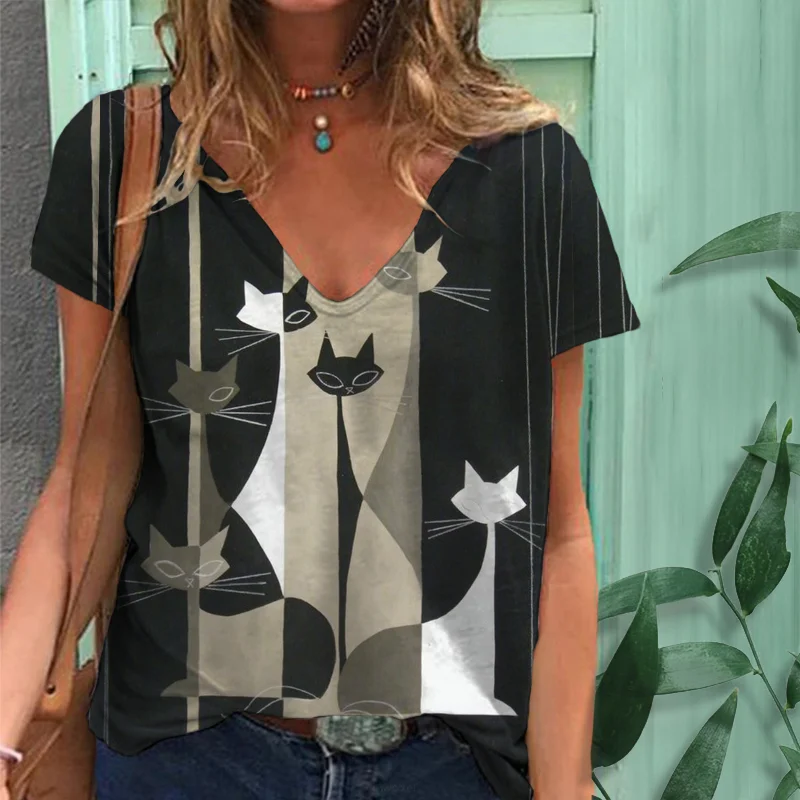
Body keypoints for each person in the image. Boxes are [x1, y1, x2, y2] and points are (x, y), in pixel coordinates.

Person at [0, 0, 641, 798]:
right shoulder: (124, 157)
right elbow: (80, 486)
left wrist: (564, 788)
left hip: (451, 768)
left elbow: (560, 532)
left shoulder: (529, 171)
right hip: (188, 764)